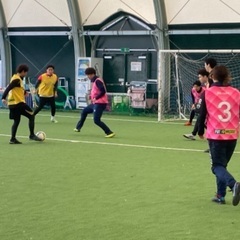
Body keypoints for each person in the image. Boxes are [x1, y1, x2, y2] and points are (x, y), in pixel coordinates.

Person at [197, 65, 240, 205]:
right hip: (232, 135)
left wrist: (200, 131)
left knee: (216, 167)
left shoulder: (207, 93)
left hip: (216, 135)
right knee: (222, 166)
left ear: (212, 76)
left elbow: (202, 114)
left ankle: (234, 185)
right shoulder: (236, 92)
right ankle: (220, 195)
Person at [1, 64, 42, 144]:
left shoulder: (16, 78)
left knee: (17, 121)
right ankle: (32, 135)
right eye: (26, 72)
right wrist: (3, 98)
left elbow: (16, 89)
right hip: (18, 103)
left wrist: (24, 92)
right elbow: (9, 87)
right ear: (23, 71)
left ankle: (12, 139)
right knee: (31, 115)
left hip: (12, 104)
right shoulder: (17, 80)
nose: (26, 74)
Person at [74, 67, 115, 138]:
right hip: (95, 103)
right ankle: (78, 128)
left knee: (96, 120)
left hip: (100, 103)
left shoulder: (98, 81)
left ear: (92, 74)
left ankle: (109, 132)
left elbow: (103, 91)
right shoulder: (94, 81)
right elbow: (96, 91)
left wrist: (96, 97)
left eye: (89, 75)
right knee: (84, 111)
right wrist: (92, 96)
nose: (88, 77)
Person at [183, 69, 209, 140]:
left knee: (203, 119)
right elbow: (193, 96)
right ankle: (193, 132)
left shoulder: (206, 87)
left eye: (200, 77)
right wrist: (194, 103)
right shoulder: (193, 90)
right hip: (200, 104)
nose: (199, 78)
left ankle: (209, 133)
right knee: (199, 117)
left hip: (206, 105)